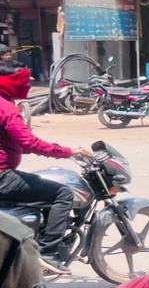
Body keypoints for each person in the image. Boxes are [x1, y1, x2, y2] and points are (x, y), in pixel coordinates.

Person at [0, 64, 91, 266]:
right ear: (11, 82)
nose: (30, 83)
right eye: (25, 80)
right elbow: (28, 142)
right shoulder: (6, 108)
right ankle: (49, 253)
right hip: (3, 177)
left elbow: (13, 143)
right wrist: (67, 151)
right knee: (63, 194)